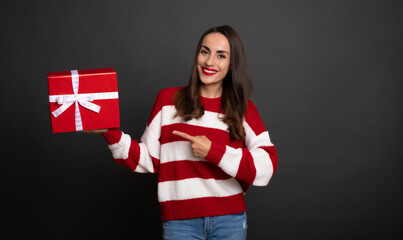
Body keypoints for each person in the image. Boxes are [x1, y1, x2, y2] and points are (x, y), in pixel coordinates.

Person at [87, 25, 278, 240]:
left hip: (230, 220)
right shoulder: (168, 101)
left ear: (231, 64)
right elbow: (147, 159)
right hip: (180, 223)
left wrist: (213, 152)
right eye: (204, 51)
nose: (209, 62)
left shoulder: (243, 109)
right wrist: (109, 132)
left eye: (221, 56)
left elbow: (267, 166)